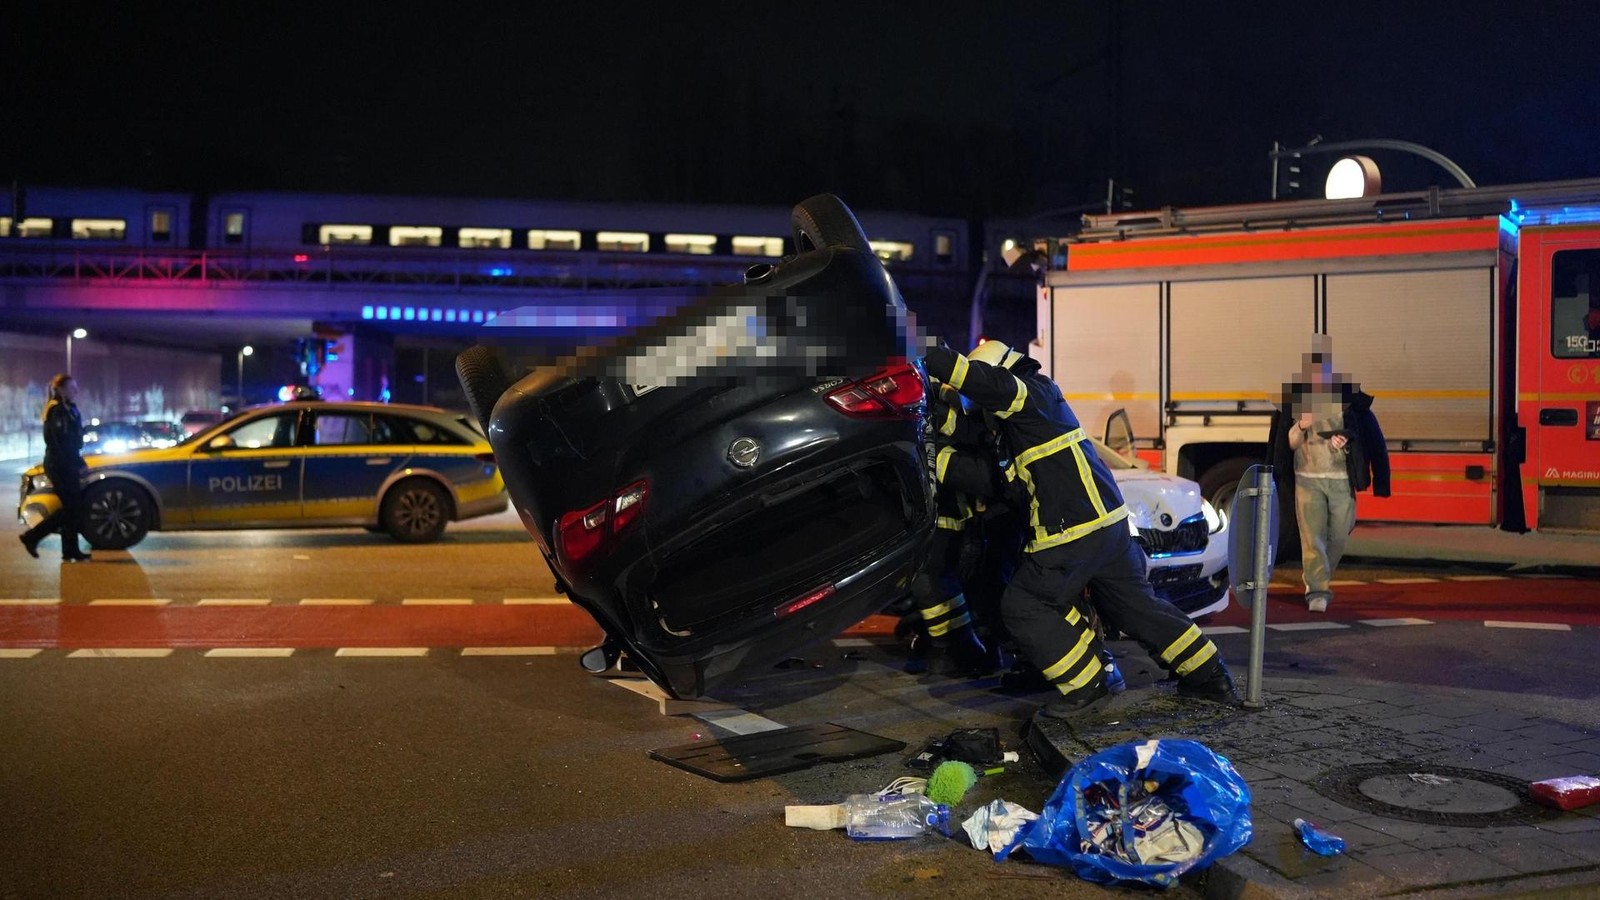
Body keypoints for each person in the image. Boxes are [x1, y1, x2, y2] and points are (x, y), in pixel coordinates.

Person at [922, 340, 1237, 719]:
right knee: (1134, 608)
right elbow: (997, 482)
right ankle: (1209, 674)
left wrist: (915, 348)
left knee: (1024, 605)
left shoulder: (1027, 392)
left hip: (1071, 531)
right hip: (1111, 529)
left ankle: (1088, 682)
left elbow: (974, 380)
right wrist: (936, 454)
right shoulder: (1035, 418)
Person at [1269, 338, 1390, 612]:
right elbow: (1286, 443)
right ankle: (1317, 591)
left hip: (1340, 481)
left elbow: (1370, 439)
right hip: (1307, 480)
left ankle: (1321, 576)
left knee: (1339, 535)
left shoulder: (1349, 403)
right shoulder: (1298, 403)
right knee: (1312, 538)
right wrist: (1301, 425)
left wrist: (1346, 444)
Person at [20, 374, 93, 562]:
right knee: (72, 508)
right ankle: (32, 537)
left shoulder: (68, 408)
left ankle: (70, 551)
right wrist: (79, 463)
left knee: (72, 509)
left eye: (76, 388)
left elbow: (72, 437)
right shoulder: (57, 410)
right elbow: (61, 441)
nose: (75, 391)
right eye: (71, 388)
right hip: (60, 463)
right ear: (60, 389)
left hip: (65, 462)